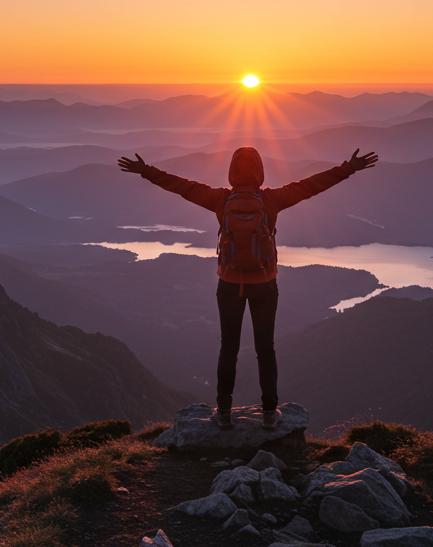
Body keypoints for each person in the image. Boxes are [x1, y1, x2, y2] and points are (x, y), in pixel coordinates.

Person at [117, 146, 377, 429]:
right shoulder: (271, 200)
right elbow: (311, 186)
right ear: (260, 172)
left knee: (228, 348)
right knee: (266, 350)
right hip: (265, 284)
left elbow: (182, 187)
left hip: (229, 283)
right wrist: (348, 168)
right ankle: (268, 414)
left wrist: (145, 171)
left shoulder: (220, 199)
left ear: (231, 172)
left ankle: (225, 412)